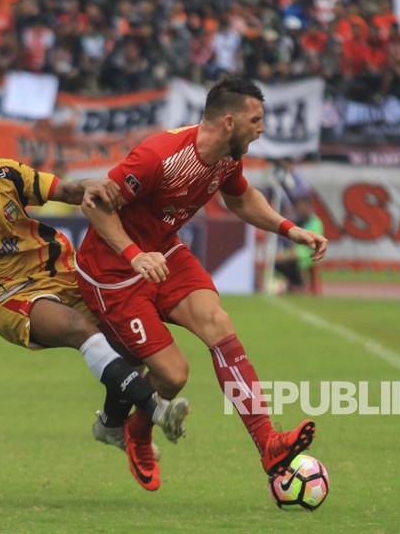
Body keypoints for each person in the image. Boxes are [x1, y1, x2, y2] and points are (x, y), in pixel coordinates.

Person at [76, 75, 328, 491]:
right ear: (229, 121)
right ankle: (134, 431)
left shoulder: (228, 157)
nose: (262, 127)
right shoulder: (158, 156)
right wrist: (133, 255)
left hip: (164, 253)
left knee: (218, 323)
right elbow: (96, 205)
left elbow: (241, 198)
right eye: (256, 119)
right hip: (113, 272)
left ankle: (268, 442)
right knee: (173, 376)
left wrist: (289, 229)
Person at [0, 135, 189, 461]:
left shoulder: (8, 175)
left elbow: (64, 191)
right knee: (79, 329)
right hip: (3, 297)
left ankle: (110, 424)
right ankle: (155, 409)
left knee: (128, 346)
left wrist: (89, 185)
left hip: (61, 271)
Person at [274, 196, 324, 293]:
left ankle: (298, 285)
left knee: (289, 262)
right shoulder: (297, 222)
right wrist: (286, 253)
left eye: (303, 207)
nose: (300, 209)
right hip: (296, 252)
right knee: (277, 261)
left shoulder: (315, 223)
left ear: (309, 207)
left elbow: (313, 245)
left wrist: (291, 254)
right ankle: (294, 283)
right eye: (299, 207)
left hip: (310, 255)